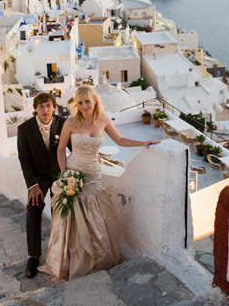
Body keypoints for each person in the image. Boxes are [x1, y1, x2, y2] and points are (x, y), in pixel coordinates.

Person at [39, 86, 159, 280]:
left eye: (87, 101)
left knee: (93, 213)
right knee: (73, 217)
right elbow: (60, 150)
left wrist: (143, 143)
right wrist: (65, 175)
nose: (84, 106)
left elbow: (119, 140)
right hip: (74, 172)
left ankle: (95, 258)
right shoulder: (70, 122)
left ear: (95, 100)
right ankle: (73, 261)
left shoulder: (103, 120)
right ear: (76, 105)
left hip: (93, 174)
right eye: (80, 102)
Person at [17, 92, 68, 278]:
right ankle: (33, 256)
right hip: (38, 178)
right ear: (35, 109)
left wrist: (68, 176)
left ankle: (59, 251)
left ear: (54, 107)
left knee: (60, 210)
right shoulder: (24, 129)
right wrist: (32, 185)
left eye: (48, 106)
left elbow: (72, 148)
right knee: (33, 207)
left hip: (58, 175)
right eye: (41, 106)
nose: (45, 110)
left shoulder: (63, 124)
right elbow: (24, 159)